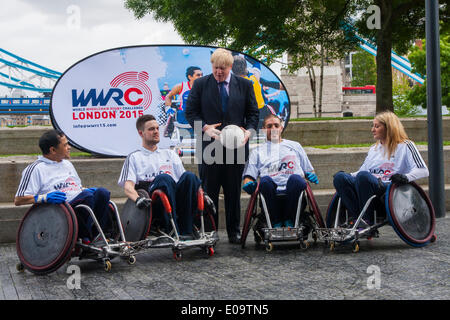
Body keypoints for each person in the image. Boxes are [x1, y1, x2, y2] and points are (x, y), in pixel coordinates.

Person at [185, 48, 259, 244]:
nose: (219, 72)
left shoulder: (244, 84)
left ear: (230, 67)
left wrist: (249, 131)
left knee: (233, 191)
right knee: (209, 192)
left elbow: (253, 114)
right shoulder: (200, 84)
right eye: (216, 68)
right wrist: (205, 128)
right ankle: (211, 232)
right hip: (210, 147)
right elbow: (190, 113)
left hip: (236, 148)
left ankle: (234, 231)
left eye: (223, 69)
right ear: (212, 66)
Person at [14, 129, 112, 243]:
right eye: (65, 145)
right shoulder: (35, 169)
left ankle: (100, 235)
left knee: (102, 193)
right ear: (53, 150)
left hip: (81, 200)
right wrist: (45, 197)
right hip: (60, 210)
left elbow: (75, 186)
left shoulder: (67, 164)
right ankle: (85, 238)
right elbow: (18, 200)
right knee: (87, 197)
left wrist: (84, 189)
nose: (69, 147)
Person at [333, 111, 429, 226]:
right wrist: (347, 175)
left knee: (363, 177)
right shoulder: (374, 148)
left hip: (388, 188)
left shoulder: (406, 146)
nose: (372, 129)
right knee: (340, 177)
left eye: (377, 126)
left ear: (389, 128)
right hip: (368, 184)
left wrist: (405, 177)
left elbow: (423, 170)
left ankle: (367, 219)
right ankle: (359, 219)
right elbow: (363, 170)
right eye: (372, 126)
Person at [118, 114, 202, 236]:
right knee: (164, 178)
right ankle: (172, 230)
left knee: (190, 176)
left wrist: (202, 193)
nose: (156, 132)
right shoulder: (134, 157)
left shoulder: (170, 154)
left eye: (157, 128)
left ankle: (187, 230)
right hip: (153, 201)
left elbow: (186, 181)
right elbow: (128, 187)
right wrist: (137, 199)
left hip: (177, 198)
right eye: (151, 129)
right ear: (141, 134)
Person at [242, 114, 319, 228]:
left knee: (296, 179)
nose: (273, 129)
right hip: (270, 195)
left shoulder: (295, 146)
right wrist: (248, 183)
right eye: (269, 126)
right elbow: (249, 176)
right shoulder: (257, 151)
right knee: (265, 181)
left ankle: (290, 219)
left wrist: (311, 175)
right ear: (263, 130)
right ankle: (276, 221)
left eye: (276, 125)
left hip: (294, 193)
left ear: (281, 128)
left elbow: (309, 170)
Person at [163, 66, 203, 138]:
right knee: (184, 140)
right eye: (198, 75)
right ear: (190, 77)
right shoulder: (181, 86)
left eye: (201, 75)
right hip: (184, 118)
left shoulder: (204, 86)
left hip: (199, 117)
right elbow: (168, 96)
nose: (201, 77)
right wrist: (168, 107)